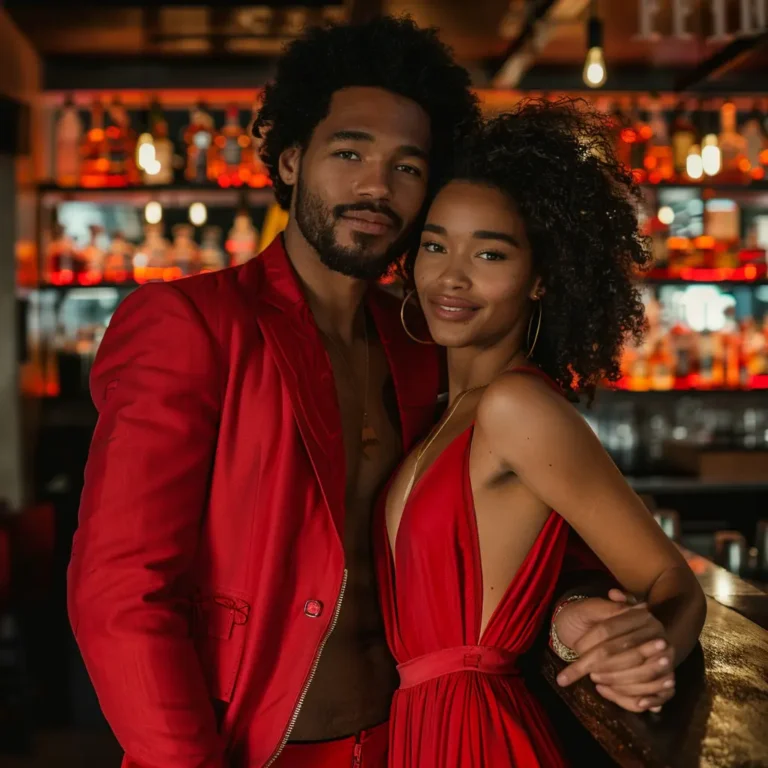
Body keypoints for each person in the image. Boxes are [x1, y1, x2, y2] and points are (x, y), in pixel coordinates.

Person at [67, 17, 646, 768]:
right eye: (350, 153)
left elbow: (523, 520)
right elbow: (120, 592)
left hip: (407, 744)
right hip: (253, 751)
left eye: (408, 167)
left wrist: (579, 616)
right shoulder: (193, 325)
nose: (378, 187)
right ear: (289, 158)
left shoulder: (422, 343)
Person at [375, 101, 707, 767]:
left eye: (490, 253)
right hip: (420, 728)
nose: (452, 276)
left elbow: (671, 579)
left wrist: (651, 651)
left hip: (479, 735)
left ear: (541, 279)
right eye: (436, 245)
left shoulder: (515, 406)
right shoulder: (446, 411)